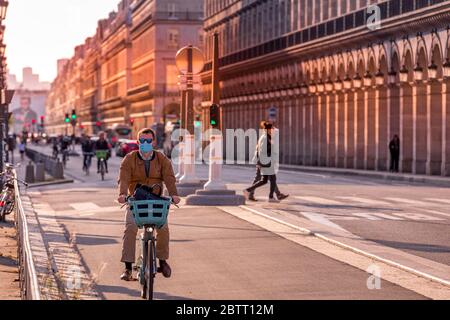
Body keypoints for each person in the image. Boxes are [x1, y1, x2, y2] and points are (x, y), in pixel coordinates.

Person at [117, 128, 181, 281]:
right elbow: (123, 177)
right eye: (142, 141)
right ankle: (127, 268)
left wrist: (174, 194)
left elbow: (169, 178)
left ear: (153, 142)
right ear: (138, 142)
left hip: (156, 202)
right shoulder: (129, 158)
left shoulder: (162, 158)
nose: (145, 144)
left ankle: (163, 261)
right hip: (136, 201)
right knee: (130, 228)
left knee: (164, 228)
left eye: (148, 141)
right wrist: (122, 194)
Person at [244, 122, 288, 202]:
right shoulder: (265, 138)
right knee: (268, 179)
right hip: (265, 162)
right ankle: (270, 196)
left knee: (266, 180)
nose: (273, 130)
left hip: (264, 161)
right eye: (272, 129)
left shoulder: (266, 137)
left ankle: (249, 191)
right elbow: (263, 151)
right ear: (268, 129)